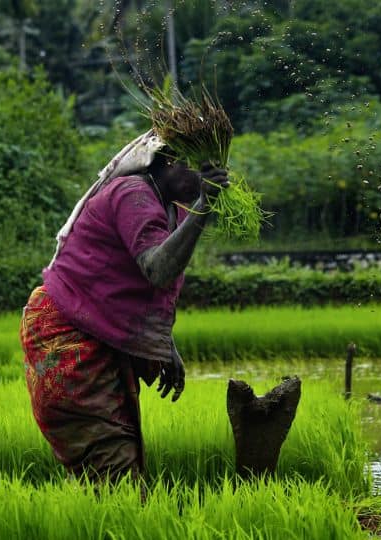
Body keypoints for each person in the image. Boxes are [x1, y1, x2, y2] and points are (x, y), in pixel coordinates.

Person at [20, 129, 229, 483]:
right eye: (202, 166)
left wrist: (164, 345)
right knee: (113, 467)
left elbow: (131, 288)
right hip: (67, 334)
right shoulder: (133, 193)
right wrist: (204, 206)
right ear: (172, 161)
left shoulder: (168, 206)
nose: (209, 175)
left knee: (113, 463)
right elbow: (156, 269)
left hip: (93, 331)